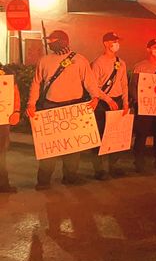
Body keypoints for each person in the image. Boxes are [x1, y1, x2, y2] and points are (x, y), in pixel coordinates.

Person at [27, 30, 116, 189]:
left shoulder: (80, 60)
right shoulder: (44, 60)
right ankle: (44, 181)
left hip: (73, 107)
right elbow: (36, 83)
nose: (50, 43)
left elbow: (90, 83)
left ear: (63, 41)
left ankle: (70, 176)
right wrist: (31, 103)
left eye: (53, 40)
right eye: (49, 40)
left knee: (73, 146)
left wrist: (96, 98)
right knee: (50, 146)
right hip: (51, 106)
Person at [90, 32, 130, 179]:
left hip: (117, 101)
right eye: (114, 41)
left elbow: (124, 83)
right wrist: (108, 100)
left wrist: (125, 102)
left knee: (116, 135)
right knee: (100, 135)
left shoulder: (121, 62)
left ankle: (114, 166)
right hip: (102, 102)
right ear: (106, 43)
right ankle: (99, 169)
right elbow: (94, 87)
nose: (116, 44)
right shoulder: (98, 63)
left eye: (117, 41)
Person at [131, 39, 156, 172]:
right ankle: (139, 162)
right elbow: (133, 86)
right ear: (148, 49)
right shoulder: (140, 66)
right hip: (144, 106)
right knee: (142, 134)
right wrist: (138, 101)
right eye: (155, 47)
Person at [0, 64, 21, 193]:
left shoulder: (6, 72)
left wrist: (16, 111)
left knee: (1, 152)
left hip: (2, 120)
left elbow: (14, 93)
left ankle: (3, 183)